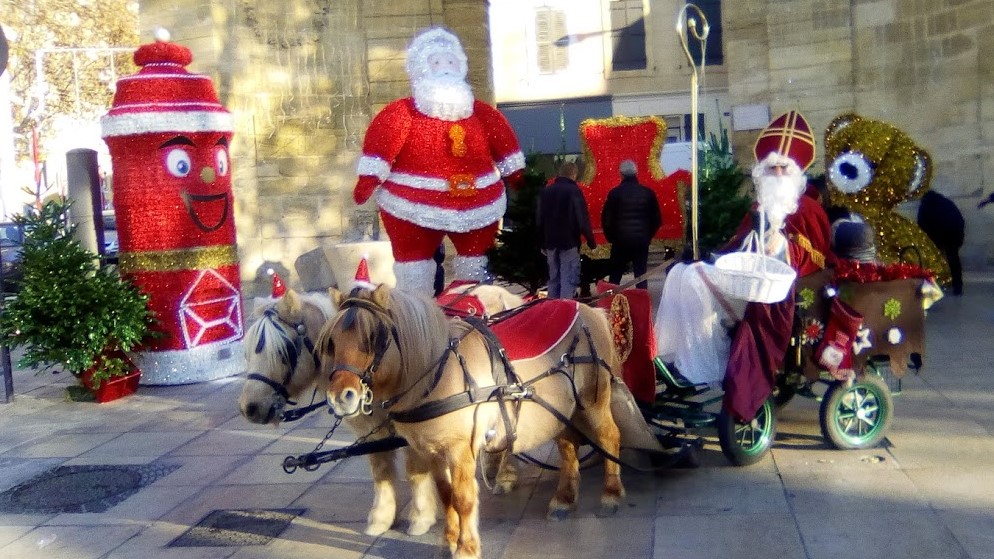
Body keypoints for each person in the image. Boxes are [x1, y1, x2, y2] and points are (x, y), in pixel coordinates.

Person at [352, 27, 525, 295]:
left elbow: (504, 143)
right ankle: (417, 306)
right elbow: (383, 141)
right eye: (436, 62)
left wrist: (518, 177)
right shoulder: (403, 112)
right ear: (421, 70)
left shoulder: (482, 113)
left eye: (451, 62)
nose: (445, 68)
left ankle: (472, 301)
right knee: (414, 268)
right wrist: (368, 179)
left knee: (476, 264)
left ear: (460, 66)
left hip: (478, 203)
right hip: (411, 205)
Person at [536, 160, 597, 298]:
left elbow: (539, 219)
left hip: (550, 242)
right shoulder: (574, 191)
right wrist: (591, 241)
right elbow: (582, 218)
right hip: (569, 241)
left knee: (553, 278)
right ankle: (566, 307)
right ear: (574, 174)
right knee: (568, 278)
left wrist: (540, 242)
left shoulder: (546, 191)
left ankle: (553, 306)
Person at [600, 160, 662, 289]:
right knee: (641, 274)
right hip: (641, 240)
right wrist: (647, 235)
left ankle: (613, 299)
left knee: (615, 275)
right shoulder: (647, 193)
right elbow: (656, 219)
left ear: (621, 174)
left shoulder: (614, 193)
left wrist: (611, 238)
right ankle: (642, 298)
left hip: (620, 241)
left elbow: (606, 219)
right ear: (636, 173)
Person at [917, 190, 965, 295]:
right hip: (953, 234)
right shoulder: (947, 203)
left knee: (932, 261)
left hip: (937, 236)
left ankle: (933, 286)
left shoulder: (925, 206)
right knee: (953, 260)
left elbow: (921, 223)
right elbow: (959, 220)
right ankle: (957, 286)